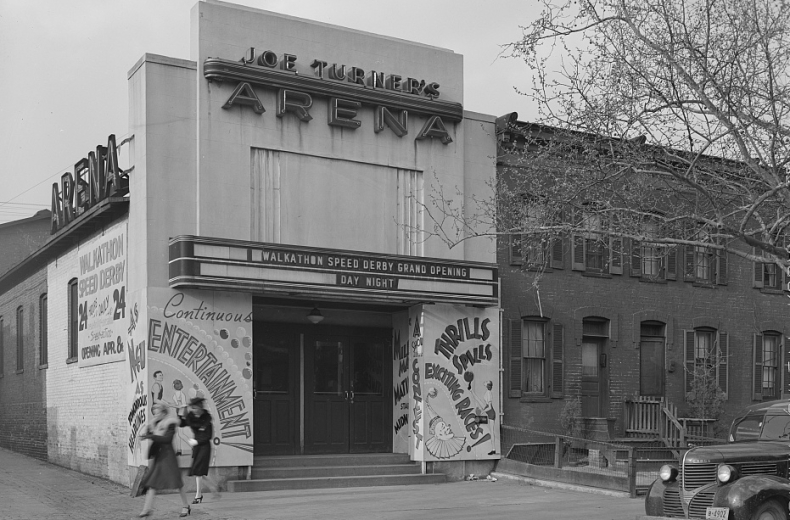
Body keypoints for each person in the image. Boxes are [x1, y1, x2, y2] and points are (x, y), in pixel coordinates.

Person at [138, 402, 191, 517]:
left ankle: (186, 506)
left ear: (163, 413)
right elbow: (151, 434)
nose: (155, 416)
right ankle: (147, 509)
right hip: (158, 456)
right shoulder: (153, 424)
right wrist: (145, 435)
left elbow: (167, 439)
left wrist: (151, 436)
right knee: (153, 483)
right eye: (154, 414)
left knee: (177, 482)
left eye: (157, 413)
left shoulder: (170, 423)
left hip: (168, 456)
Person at [179, 397, 220, 503]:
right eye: (193, 408)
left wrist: (196, 441)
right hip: (197, 447)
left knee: (198, 470)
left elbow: (208, 436)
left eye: (196, 408)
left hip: (204, 447)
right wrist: (181, 411)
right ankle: (212, 489)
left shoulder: (207, 420)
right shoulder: (191, 418)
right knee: (197, 471)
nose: (194, 410)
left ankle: (199, 495)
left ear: (201, 408)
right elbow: (181, 423)